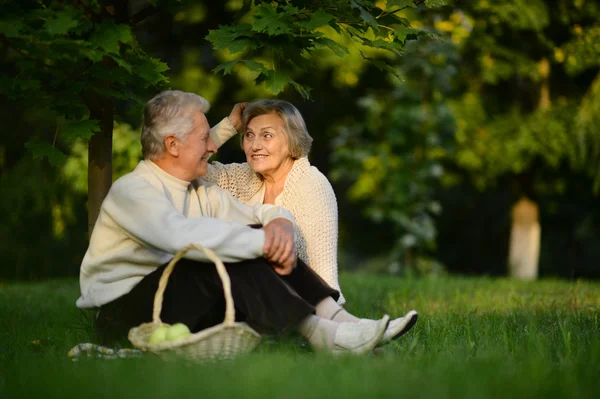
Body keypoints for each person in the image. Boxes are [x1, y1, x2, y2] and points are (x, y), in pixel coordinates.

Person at [76, 90, 391, 356]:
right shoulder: (133, 190)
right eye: (204, 138)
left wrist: (280, 222)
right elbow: (180, 237)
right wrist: (263, 244)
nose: (213, 146)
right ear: (173, 145)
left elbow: (256, 217)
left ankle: (340, 321)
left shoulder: (200, 192)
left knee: (248, 237)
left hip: (172, 306)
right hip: (123, 317)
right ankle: (319, 334)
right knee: (216, 255)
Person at [203, 100, 418, 344]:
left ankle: (350, 328)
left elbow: (321, 273)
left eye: (267, 135)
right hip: (242, 302)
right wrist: (229, 126)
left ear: (291, 140)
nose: (255, 145)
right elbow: (189, 165)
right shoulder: (241, 177)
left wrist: (331, 321)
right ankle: (352, 331)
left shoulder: (312, 185)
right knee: (255, 238)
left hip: (296, 306)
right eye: (249, 135)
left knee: (260, 240)